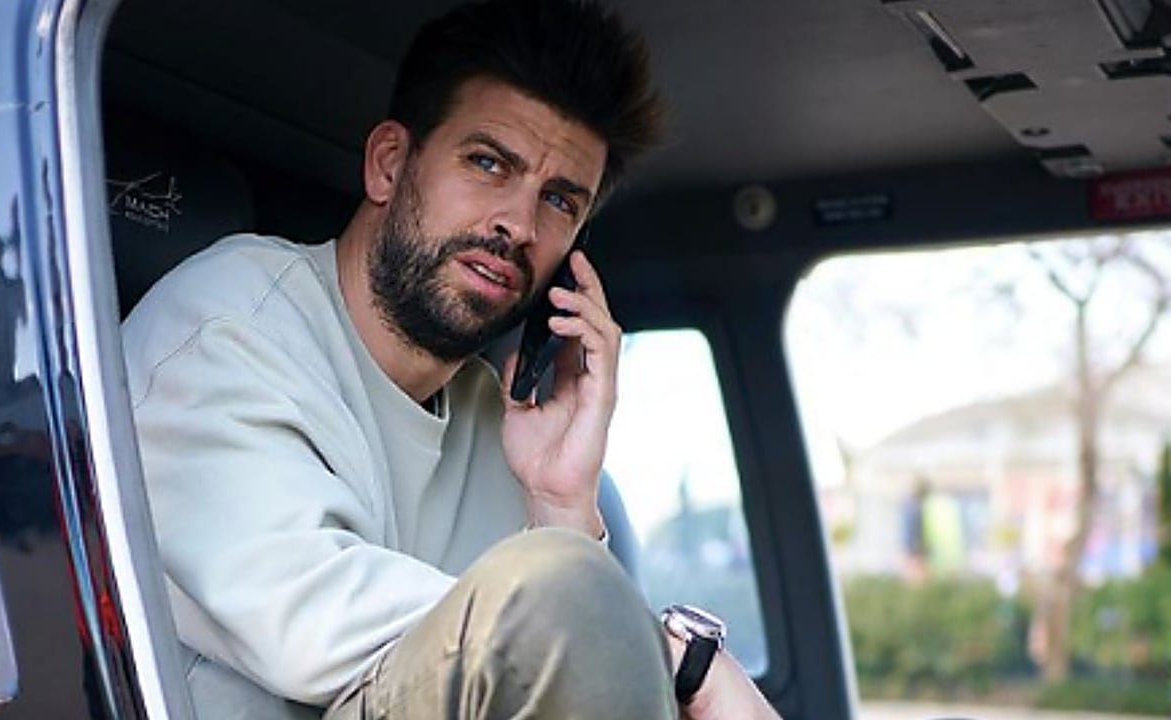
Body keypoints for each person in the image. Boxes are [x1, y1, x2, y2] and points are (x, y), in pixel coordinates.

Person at [122, 0, 781, 717]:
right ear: (389, 164)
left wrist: (560, 505)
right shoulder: (228, 326)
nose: (518, 224)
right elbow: (311, 628)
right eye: (488, 163)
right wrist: (674, 660)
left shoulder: (497, 429)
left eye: (560, 201)